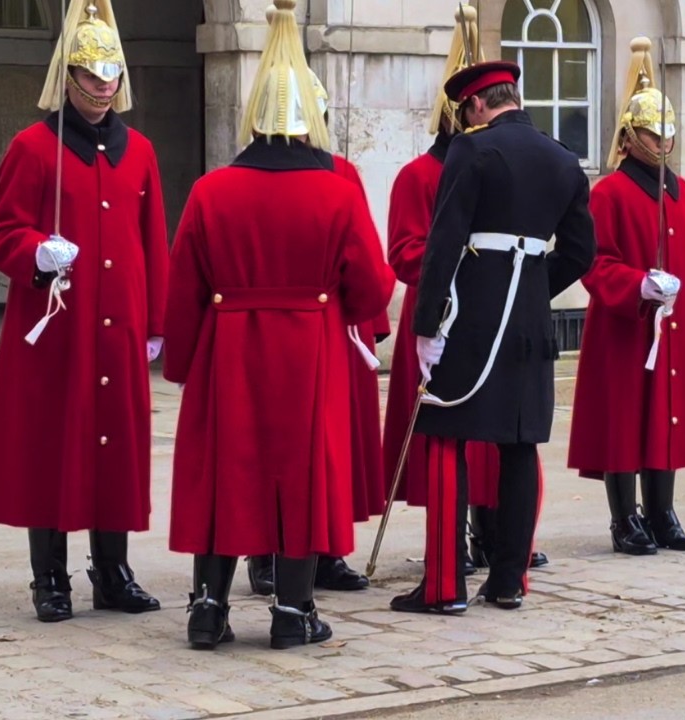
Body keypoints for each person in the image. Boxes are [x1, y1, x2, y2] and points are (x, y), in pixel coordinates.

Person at [163, 0, 394, 650]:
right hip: (309, 349)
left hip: (227, 347)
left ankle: (208, 608)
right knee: (302, 476)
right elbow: (373, 286)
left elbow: (183, 289)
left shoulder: (211, 190)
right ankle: (293, 615)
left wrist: (181, 364)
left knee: (224, 476)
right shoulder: (338, 190)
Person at [0, 0, 166, 624]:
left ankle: (113, 572)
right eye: (92, 76)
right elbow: (2, 234)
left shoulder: (138, 150)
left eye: (112, 76)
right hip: (59, 328)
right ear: (70, 78)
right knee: (52, 447)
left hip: (120, 327)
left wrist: (157, 322)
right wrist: (38, 251)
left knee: (116, 448)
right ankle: (49, 578)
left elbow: (151, 240)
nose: (104, 87)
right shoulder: (34, 149)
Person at [391, 58, 596, 614]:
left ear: (477, 105)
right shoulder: (563, 158)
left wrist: (426, 324)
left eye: (465, 111)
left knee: (445, 437)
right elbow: (580, 253)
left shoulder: (472, 150)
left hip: (470, 317)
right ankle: (509, 581)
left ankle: (443, 587)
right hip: (530, 322)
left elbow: (443, 243)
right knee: (519, 444)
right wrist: (532, 286)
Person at [382, 4, 549, 585]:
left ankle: (497, 537)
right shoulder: (417, 176)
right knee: (447, 444)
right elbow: (406, 252)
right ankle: (449, 553)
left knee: (500, 440)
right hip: (446, 317)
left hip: (490, 320)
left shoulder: (493, 160)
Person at [567, 37, 685, 555]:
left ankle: (662, 512)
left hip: (677, 325)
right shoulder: (608, 193)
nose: (661, 142)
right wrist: (637, 284)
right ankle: (624, 519)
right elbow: (594, 263)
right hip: (626, 323)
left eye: (666, 133)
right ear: (629, 135)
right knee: (624, 419)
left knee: (669, 416)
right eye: (650, 133)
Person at [244, 111, 390, 597]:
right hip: (271, 328)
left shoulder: (342, 173)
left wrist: (372, 323)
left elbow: (366, 256)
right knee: (268, 446)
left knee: (330, 450)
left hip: (335, 328)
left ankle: (327, 551)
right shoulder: (246, 175)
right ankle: (263, 551)